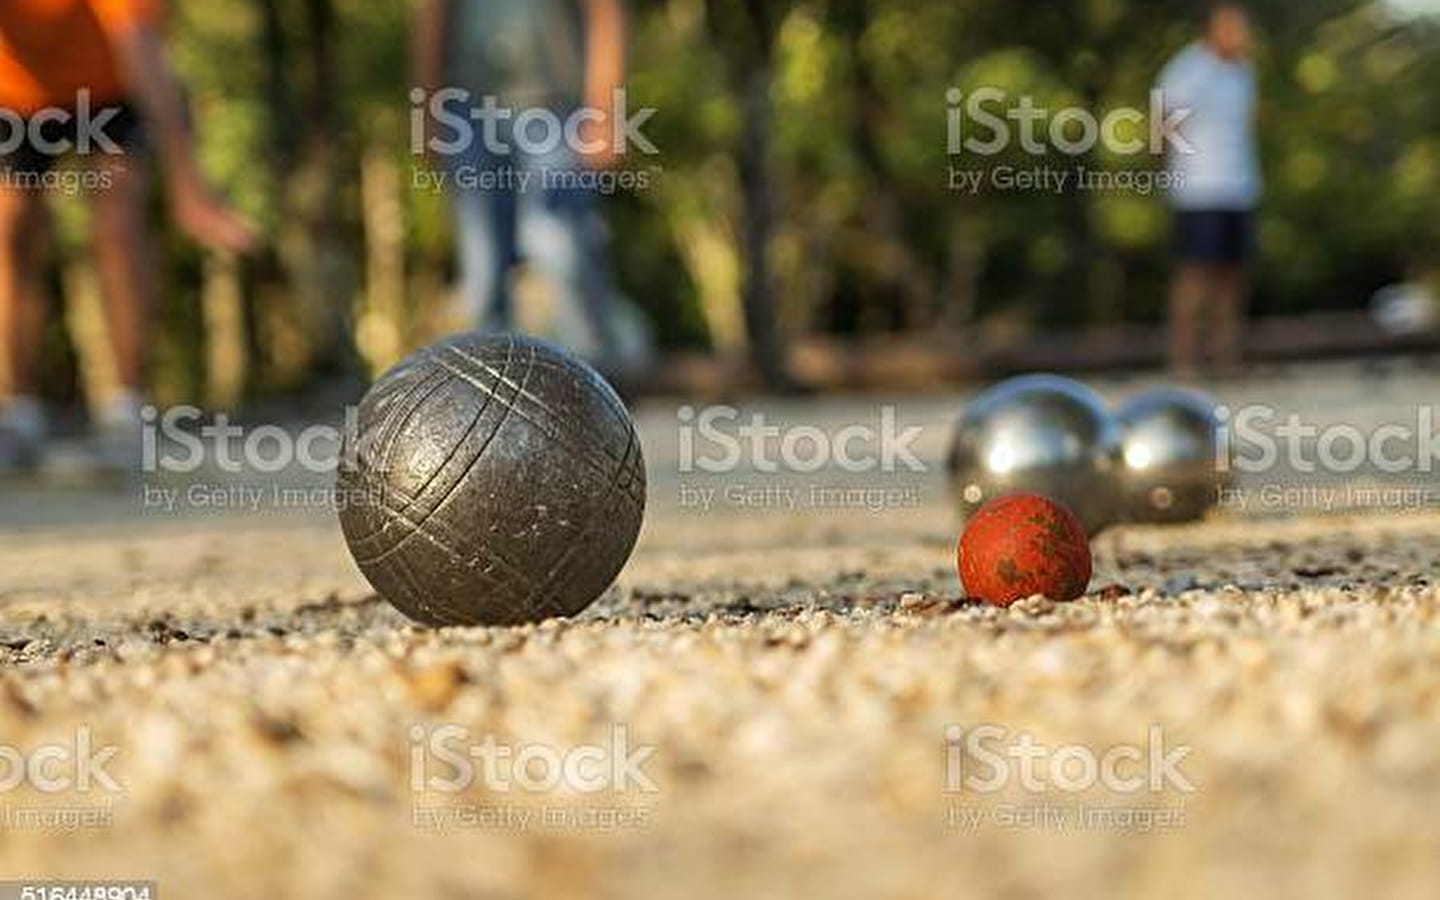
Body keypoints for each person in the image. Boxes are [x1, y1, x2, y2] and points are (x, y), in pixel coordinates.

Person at [0, 0, 256, 475]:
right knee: (12, 228)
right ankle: (17, 413)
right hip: (13, 94)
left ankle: (126, 410)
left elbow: (142, 48)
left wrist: (187, 183)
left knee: (119, 223)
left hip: (112, 88)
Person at [413, 0, 648, 378]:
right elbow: (433, 16)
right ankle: (486, 393)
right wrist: (426, 111)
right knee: (483, 267)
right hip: (468, 110)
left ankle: (594, 383)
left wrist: (606, 114)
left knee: (561, 247)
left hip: (554, 108)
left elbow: (605, 12)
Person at [1157, 1, 1261, 377]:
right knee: (1194, 276)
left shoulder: (1243, 72)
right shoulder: (1187, 71)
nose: (1241, 36)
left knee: (1233, 276)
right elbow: (1162, 125)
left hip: (1239, 186)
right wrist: (1163, 174)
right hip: (1198, 187)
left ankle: (1226, 358)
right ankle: (1184, 361)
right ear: (1212, 30)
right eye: (1233, 28)